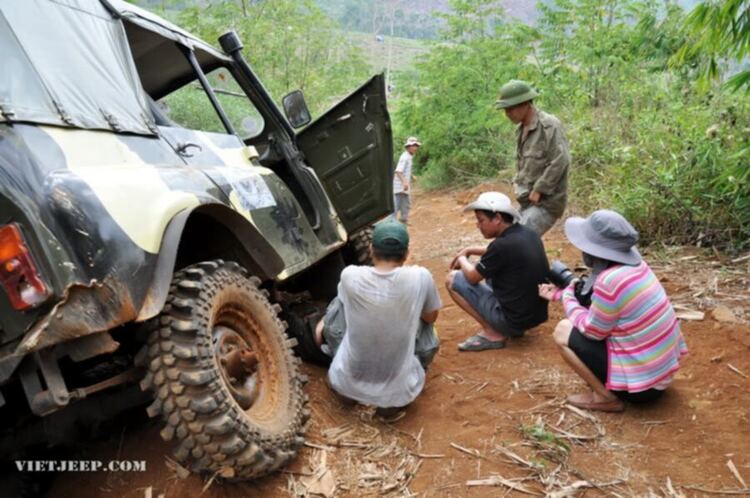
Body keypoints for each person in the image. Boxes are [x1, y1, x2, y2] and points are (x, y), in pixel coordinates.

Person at [538, 210, 688, 412]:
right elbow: (606, 311)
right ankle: (613, 385)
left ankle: (605, 397)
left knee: (563, 330)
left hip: (642, 390)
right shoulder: (638, 266)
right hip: (660, 377)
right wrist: (564, 293)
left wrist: (567, 296)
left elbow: (592, 331)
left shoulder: (609, 281)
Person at [313, 221, 441, 416]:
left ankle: (349, 386)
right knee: (428, 329)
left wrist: (323, 323)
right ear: (406, 253)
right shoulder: (420, 277)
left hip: (345, 383)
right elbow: (431, 317)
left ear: (371, 248)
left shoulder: (350, 275)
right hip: (398, 393)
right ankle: (391, 405)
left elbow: (340, 307)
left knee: (340, 304)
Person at [446, 192, 549, 351]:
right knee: (493, 273)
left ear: (498, 219)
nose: (478, 225)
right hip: (533, 317)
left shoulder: (500, 246)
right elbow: (498, 252)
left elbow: (473, 277)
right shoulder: (528, 234)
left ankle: (492, 333)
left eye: (481, 220)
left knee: (453, 279)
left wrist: (462, 259)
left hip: (512, 322)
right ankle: (511, 326)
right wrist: (469, 249)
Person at [496, 80, 570, 236]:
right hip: (527, 202)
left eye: (510, 109)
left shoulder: (549, 125)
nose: (507, 114)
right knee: (509, 235)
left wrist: (539, 189)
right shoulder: (521, 129)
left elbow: (561, 160)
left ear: (525, 104)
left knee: (518, 241)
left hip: (546, 202)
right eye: (505, 110)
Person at [393, 136, 421, 224]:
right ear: (408, 147)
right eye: (413, 146)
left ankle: (403, 220)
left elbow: (404, 170)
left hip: (403, 186)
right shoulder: (405, 157)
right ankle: (391, 222)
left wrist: (412, 176)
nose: (415, 148)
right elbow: (398, 171)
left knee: (406, 204)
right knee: (397, 205)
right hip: (400, 186)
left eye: (416, 146)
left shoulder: (409, 156)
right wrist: (404, 182)